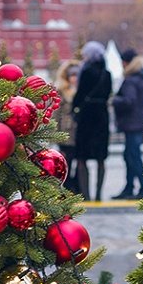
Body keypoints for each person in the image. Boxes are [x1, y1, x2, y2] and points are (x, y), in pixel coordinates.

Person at [111, 48, 143, 199]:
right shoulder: (141, 78)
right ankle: (129, 187)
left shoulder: (130, 80)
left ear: (126, 62)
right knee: (129, 155)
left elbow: (128, 101)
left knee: (133, 156)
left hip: (131, 124)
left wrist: (114, 100)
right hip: (139, 122)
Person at [71, 41, 112, 201]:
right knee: (101, 158)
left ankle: (86, 195)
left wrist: (74, 109)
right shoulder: (107, 73)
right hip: (102, 116)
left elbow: (79, 94)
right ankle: (99, 195)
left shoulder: (86, 71)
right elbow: (109, 93)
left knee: (82, 157)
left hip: (87, 116)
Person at [54, 60, 80, 189]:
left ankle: (76, 186)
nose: (74, 78)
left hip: (79, 131)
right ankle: (69, 186)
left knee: (78, 161)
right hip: (66, 131)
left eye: (76, 75)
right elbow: (57, 114)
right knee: (67, 161)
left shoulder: (82, 90)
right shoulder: (62, 91)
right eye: (72, 75)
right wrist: (56, 133)